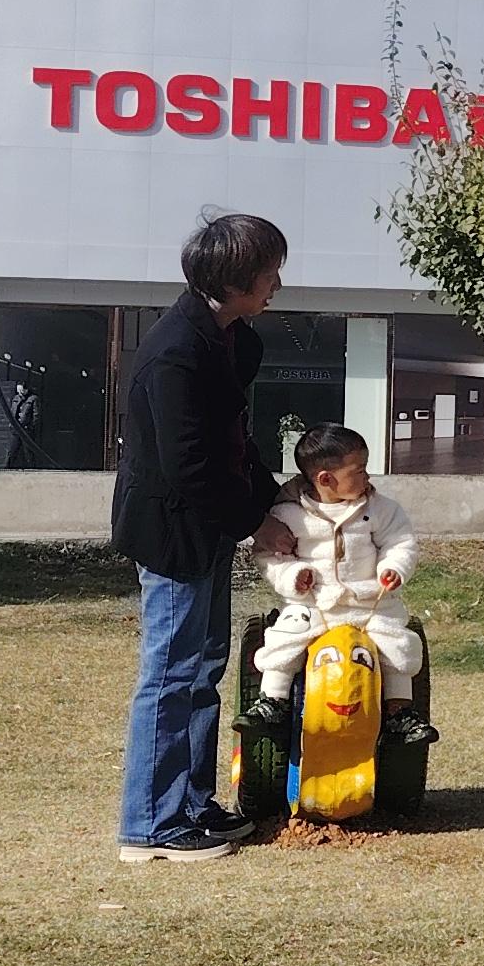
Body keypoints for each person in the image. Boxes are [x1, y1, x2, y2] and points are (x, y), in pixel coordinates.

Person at [107, 212, 289, 863]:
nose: (277, 284)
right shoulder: (175, 353)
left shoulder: (231, 339)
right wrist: (256, 521)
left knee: (203, 667)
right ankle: (149, 827)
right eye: (269, 273)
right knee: (170, 672)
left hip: (206, 525)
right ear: (234, 281)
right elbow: (190, 465)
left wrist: (276, 497)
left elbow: (233, 440)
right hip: (171, 531)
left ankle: (191, 805)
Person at [250, 423, 430, 744]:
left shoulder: (379, 509)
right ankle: (273, 700)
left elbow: (400, 541)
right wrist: (292, 575)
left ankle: (399, 711)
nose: (367, 477)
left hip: (369, 603)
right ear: (325, 479)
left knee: (397, 640)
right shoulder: (290, 514)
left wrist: (393, 567)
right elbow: (270, 556)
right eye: (358, 471)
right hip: (313, 604)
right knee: (284, 637)